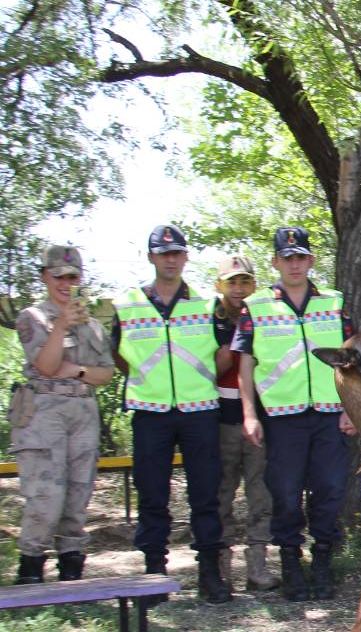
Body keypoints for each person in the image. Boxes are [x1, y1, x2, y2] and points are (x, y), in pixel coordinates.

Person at [235, 227, 355, 601]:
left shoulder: (333, 302)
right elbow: (245, 364)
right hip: (282, 416)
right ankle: (290, 563)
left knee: (331, 490)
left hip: (329, 413)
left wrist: (351, 407)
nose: (295, 265)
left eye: (301, 257)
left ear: (311, 261)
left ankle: (321, 564)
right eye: (287, 258)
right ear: (275, 262)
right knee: (285, 494)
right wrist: (249, 414)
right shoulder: (255, 308)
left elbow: (351, 360)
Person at [111, 225, 229, 601]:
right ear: (151, 258)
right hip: (151, 411)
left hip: (200, 411)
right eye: (164, 254)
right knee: (151, 494)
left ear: (186, 257)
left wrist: (201, 377)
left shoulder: (208, 304)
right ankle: (153, 573)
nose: (171, 259)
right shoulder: (126, 305)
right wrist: (150, 381)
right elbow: (118, 355)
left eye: (177, 253)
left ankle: (209, 574)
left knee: (206, 494)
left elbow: (225, 353)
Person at [10, 246, 114, 584]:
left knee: (77, 498)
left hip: (83, 412)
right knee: (45, 499)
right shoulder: (32, 317)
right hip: (44, 415)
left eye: (73, 277)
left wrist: (78, 370)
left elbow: (105, 374)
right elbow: (46, 366)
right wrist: (60, 326)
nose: (67, 283)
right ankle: (30, 576)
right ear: (45, 277)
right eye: (59, 277)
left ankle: (71, 579)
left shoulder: (93, 326)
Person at [212, 254, 275, 591]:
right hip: (220, 418)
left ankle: (257, 566)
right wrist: (234, 340)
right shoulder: (209, 317)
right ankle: (221, 567)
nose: (239, 289)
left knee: (260, 493)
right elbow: (210, 367)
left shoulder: (266, 315)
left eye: (245, 281)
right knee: (221, 494)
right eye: (231, 282)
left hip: (258, 418)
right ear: (219, 285)